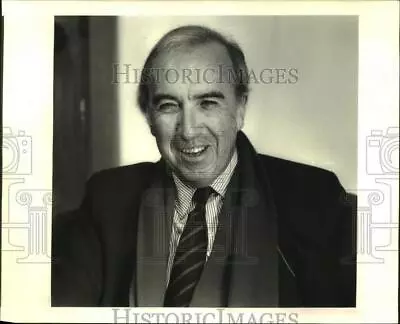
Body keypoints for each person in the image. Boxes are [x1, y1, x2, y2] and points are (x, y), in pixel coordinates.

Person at [52, 25, 356, 307]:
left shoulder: (317, 201)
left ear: (240, 108)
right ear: (149, 118)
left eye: (208, 103)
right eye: (168, 106)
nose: (189, 130)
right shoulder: (108, 200)